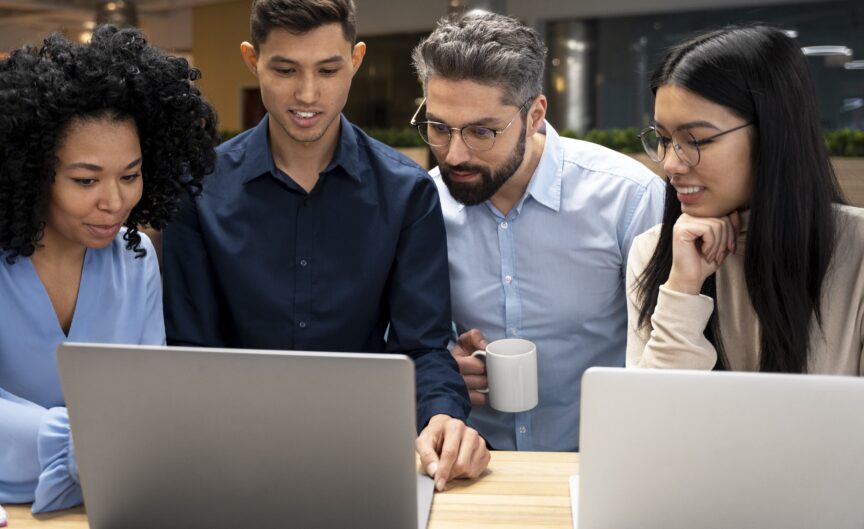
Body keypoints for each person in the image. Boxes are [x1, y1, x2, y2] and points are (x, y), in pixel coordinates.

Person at [161, 0, 488, 490]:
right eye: (285, 69)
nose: (307, 93)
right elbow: (191, 353)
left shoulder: (406, 192)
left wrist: (443, 416)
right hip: (228, 460)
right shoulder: (197, 191)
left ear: (355, 61)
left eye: (328, 69)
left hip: (365, 457)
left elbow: (422, 347)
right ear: (253, 60)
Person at [0, 26, 217, 512]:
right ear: (29, 172)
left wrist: (8, 457)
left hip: (88, 503)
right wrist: (103, 452)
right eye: (85, 179)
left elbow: (150, 415)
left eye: (131, 175)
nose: (114, 202)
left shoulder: (135, 259)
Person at [410, 12, 665, 452]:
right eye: (438, 127)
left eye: (481, 131)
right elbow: (409, 340)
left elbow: (670, 349)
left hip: (602, 460)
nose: (454, 154)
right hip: (475, 466)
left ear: (534, 115)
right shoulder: (423, 205)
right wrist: (442, 369)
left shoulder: (629, 198)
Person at [627, 25, 863, 373]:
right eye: (662, 138)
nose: (671, 163)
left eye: (698, 140)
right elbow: (651, 417)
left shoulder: (855, 250)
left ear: (773, 134)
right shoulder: (657, 252)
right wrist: (682, 289)